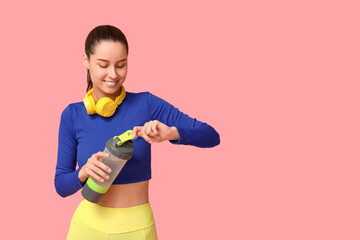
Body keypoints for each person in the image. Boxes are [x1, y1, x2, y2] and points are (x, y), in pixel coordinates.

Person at [55, 24, 220, 240]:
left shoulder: (147, 104)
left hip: (136, 227)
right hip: (86, 227)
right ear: (86, 60)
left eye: (121, 65)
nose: (113, 74)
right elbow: (61, 185)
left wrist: (171, 133)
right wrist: (83, 173)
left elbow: (211, 135)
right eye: (103, 65)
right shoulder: (72, 115)